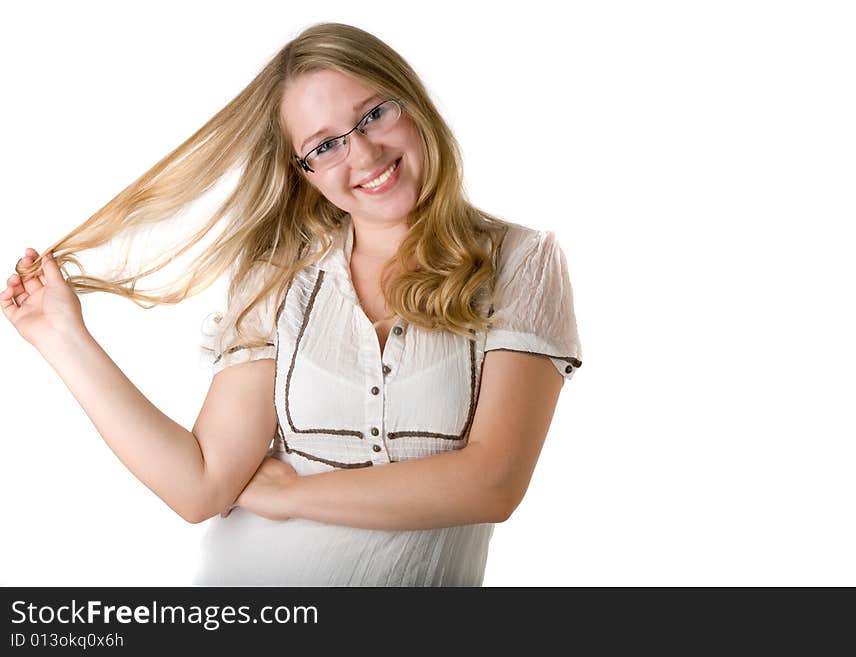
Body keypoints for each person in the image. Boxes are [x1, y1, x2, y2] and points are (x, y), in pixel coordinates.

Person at [1, 22, 582, 586]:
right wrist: (61, 337)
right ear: (304, 174)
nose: (364, 154)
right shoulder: (280, 277)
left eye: (374, 113)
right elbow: (201, 485)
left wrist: (290, 493)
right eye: (325, 145)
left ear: (414, 102)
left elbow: (494, 483)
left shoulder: (521, 263)